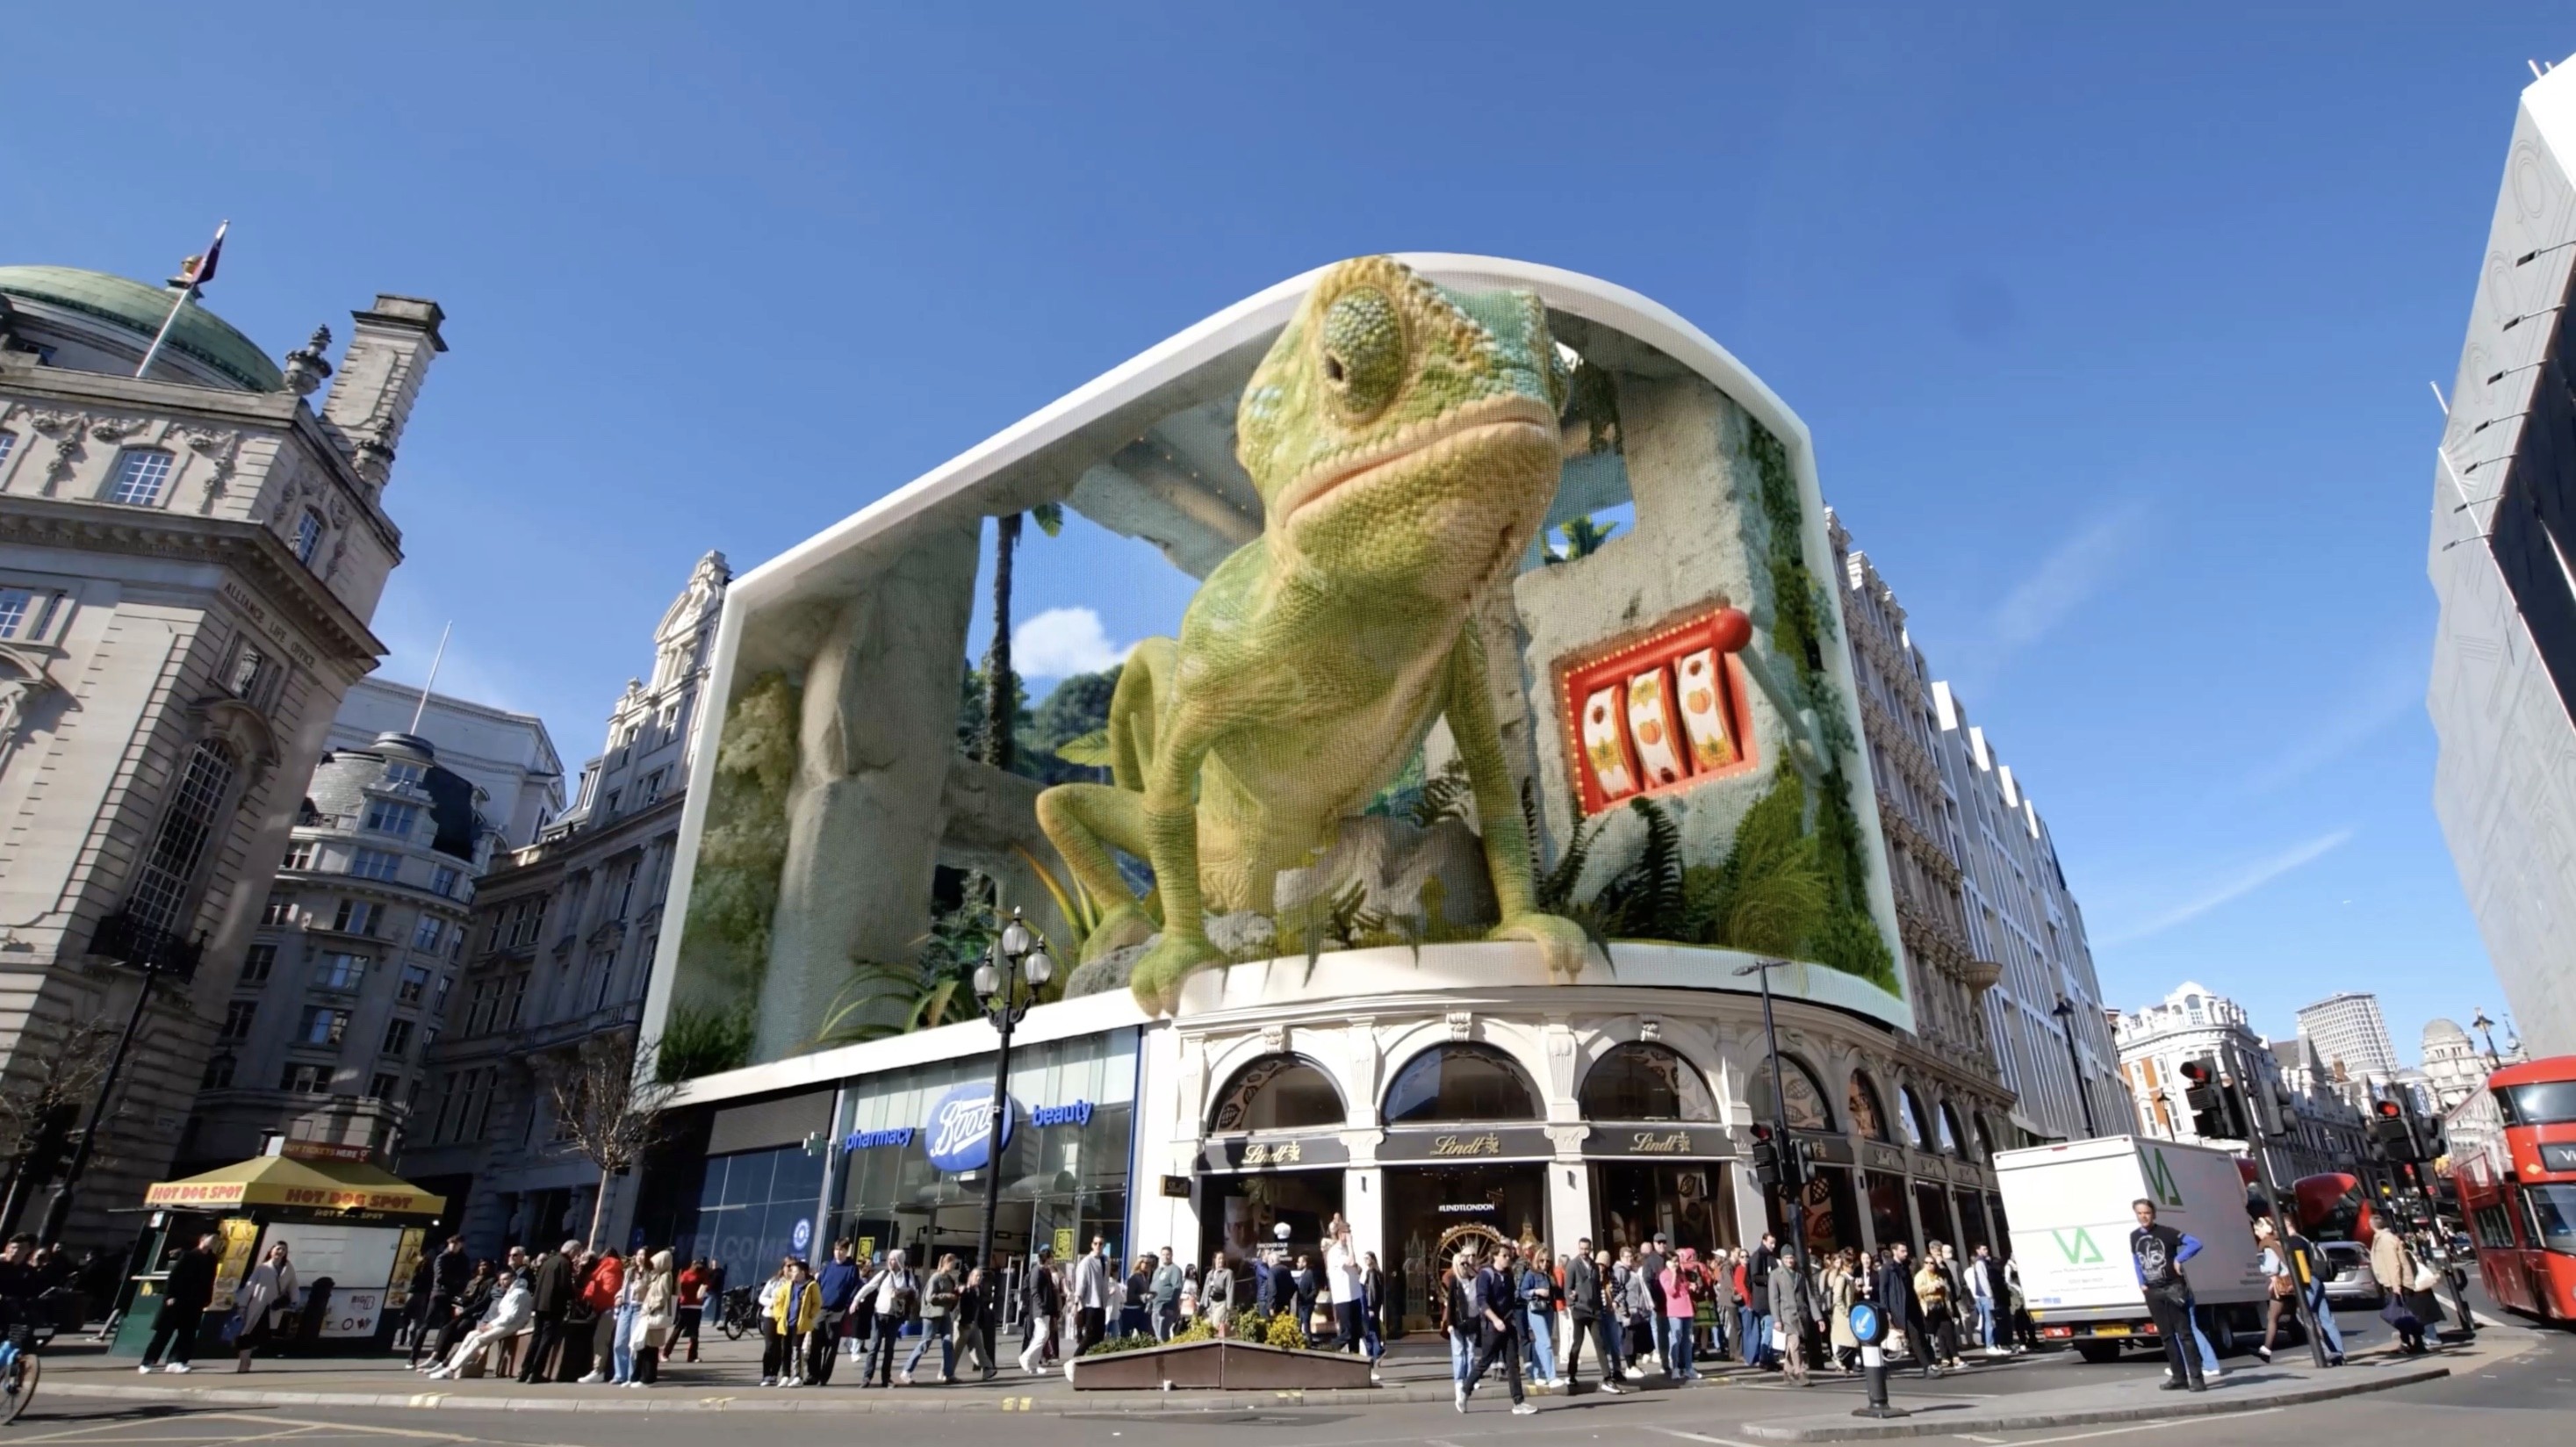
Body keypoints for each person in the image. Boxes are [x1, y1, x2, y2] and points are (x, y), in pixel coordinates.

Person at [2128, 1198, 2205, 1392]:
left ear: (2153, 1213)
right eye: (2139, 1213)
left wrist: (2179, 1259)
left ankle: (2197, 1378)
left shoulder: (2166, 1233)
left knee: (2184, 1334)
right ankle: (2179, 1377)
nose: (2143, 1216)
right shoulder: (2134, 1236)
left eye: (2146, 1212)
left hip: (2172, 1288)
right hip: (2153, 1291)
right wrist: (2142, 1283)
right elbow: (2137, 1261)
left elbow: (2195, 1243)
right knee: (2166, 1336)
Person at [1461, 1243, 1534, 1415]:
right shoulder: (1486, 1275)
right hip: (1492, 1326)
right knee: (1485, 1361)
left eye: (1509, 1256)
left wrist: (1513, 1320)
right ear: (1495, 1256)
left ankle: (1519, 1402)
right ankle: (1465, 1390)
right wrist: (1495, 1320)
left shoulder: (1508, 1276)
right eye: (1504, 1256)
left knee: (1513, 1363)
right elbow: (1482, 1301)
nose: (1508, 1259)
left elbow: (1511, 1300)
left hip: (1508, 1324)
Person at [424, 1269, 531, 1379]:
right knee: (471, 1335)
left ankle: (452, 1370)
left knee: (478, 1340)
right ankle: (448, 1366)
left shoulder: (519, 1293)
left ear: (513, 1278)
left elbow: (510, 1316)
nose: (503, 1282)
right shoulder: (511, 1292)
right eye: (501, 1280)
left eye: (506, 1279)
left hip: (513, 1325)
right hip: (503, 1323)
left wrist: (491, 1325)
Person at [139, 1230, 219, 1373]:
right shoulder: (188, 1256)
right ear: (202, 1239)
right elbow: (174, 1277)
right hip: (178, 1300)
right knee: (164, 1333)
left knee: (187, 1334)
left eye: (216, 1240)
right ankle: (148, 1362)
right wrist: (169, 1296)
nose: (214, 1242)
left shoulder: (212, 1259)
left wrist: (207, 1298)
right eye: (212, 1239)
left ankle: (177, 1361)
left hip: (195, 1301)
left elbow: (210, 1281)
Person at [2280, 1226, 2343, 1364]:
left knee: (2305, 1314)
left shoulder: (2294, 1242)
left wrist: (2298, 1283)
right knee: (2326, 1319)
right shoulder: (2303, 1239)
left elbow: (2301, 1264)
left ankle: (2326, 1352)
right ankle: (2339, 1354)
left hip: (2308, 1280)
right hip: (2316, 1279)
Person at [231, 1242, 297, 1373]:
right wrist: (242, 1305)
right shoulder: (262, 1268)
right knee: (247, 1334)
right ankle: (244, 1363)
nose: (280, 1252)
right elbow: (250, 1285)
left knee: (263, 1335)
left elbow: (293, 1285)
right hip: (258, 1305)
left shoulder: (288, 1269)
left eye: (283, 1250)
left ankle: (247, 1358)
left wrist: (294, 1301)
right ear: (271, 1251)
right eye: (278, 1249)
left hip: (274, 1308)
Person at [1565, 1242, 1621, 1394]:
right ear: (1579, 1249)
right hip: (1579, 1310)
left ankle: (1607, 1377)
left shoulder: (1594, 1266)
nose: (1584, 1251)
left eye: (1587, 1249)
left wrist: (1600, 1308)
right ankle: (1571, 1374)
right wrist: (1571, 1303)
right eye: (1581, 1248)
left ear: (1590, 1249)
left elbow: (1597, 1287)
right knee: (1577, 1343)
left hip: (1594, 1311)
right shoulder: (1573, 1265)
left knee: (1600, 1343)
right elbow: (1567, 1287)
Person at [519, 1241, 578, 1383]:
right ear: (573, 1251)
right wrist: (574, 1294)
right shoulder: (564, 1263)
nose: (577, 1256)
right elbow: (564, 1286)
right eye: (577, 1252)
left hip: (540, 1304)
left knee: (536, 1339)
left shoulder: (549, 1261)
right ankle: (536, 1373)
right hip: (554, 1306)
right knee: (546, 1340)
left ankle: (524, 1372)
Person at [2370, 1223, 2432, 1356]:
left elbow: (2394, 1264)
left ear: (2373, 1225)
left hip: (2397, 1284)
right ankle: (2409, 1342)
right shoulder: (2383, 1238)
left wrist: (2396, 1284)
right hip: (2397, 1282)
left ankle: (2415, 1342)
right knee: (2402, 1314)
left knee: (2401, 1314)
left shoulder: (2386, 1239)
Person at [863, 1249, 919, 1386]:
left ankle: (885, 1378)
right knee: (874, 1346)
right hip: (879, 1313)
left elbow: (915, 1292)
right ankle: (867, 1377)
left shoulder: (907, 1275)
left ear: (900, 1261)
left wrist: (901, 1292)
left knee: (889, 1348)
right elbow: (869, 1287)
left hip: (895, 1316)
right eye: (889, 1258)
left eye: (893, 1259)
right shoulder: (884, 1274)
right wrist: (856, 1300)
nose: (890, 1261)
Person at [1877, 1242, 1933, 1379]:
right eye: (1902, 1251)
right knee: (1909, 1336)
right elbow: (1883, 1291)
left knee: (1919, 1335)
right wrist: (1886, 1310)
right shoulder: (1887, 1268)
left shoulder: (1906, 1266)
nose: (1905, 1253)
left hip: (1912, 1306)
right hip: (1899, 1308)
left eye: (1906, 1250)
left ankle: (1930, 1364)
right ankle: (1928, 1366)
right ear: (1894, 1251)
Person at [768, 1259, 821, 1387]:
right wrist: (779, 1316)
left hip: (800, 1324)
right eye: (791, 1271)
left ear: (803, 1272)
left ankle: (797, 1376)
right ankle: (785, 1375)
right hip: (786, 1323)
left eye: (795, 1271)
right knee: (785, 1350)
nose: (792, 1273)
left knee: (797, 1350)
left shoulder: (811, 1286)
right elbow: (778, 1302)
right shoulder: (787, 1286)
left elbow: (817, 1303)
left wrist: (810, 1316)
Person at [575, 1248, 624, 1383]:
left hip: (608, 1309)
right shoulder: (610, 1269)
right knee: (605, 1340)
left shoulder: (608, 1269)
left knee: (600, 1340)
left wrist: (591, 1297)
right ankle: (604, 1370)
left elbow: (609, 1292)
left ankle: (598, 1370)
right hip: (608, 1309)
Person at [1767, 1244, 1812, 1385]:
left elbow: (1809, 1296)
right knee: (1795, 1343)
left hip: (1799, 1314)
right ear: (1782, 1258)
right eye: (1786, 1257)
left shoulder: (1799, 1274)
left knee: (1791, 1345)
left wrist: (1817, 1317)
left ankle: (1787, 1372)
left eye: (1791, 1257)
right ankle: (1800, 1371)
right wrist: (1776, 1319)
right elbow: (1773, 1298)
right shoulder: (1776, 1275)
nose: (1789, 1260)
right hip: (1785, 1314)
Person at [631, 1250, 675, 1386]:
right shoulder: (659, 1276)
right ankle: (640, 1376)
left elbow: (662, 1297)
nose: (653, 1266)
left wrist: (650, 1308)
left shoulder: (665, 1277)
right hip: (651, 1315)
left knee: (650, 1348)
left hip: (654, 1315)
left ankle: (647, 1378)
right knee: (645, 1346)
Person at [1325, 1220, 1366, 1355]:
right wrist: (1350, 1244)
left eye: (1349, 1232)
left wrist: (1350, 1250)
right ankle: (1329, 1349)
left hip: (1355, 1294)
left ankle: (1357, 1364)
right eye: (1346, 1233)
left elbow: (1357, 1269)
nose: (1349, 1235)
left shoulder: (1347, 1250)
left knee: (1356, 1333)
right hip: (1343, 1297)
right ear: (1340, 1233)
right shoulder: (1335, 1252)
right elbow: (1351, 1262)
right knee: (1347, 1332)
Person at [1018, 1245, 1061, 1375]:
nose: (1053, 1260)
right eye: (1051, 1257)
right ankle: (1026, 1357)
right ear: (1047, 1258)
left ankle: (1033, 1364)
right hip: (1040, 1310)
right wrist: (1042, 1305)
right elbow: (1034, 1291)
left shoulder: (1044, 1271)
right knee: (1042, 1334)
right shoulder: (1037, 1271)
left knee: (1043, 1335)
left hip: (1045, 1309)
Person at [1518, 1247, 1557, 1389]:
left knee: (1540, 1343)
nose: (1544, 1263)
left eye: (1547, 1261)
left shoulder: (1549, 1275)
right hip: (1536, 1309)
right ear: (1536, 1260)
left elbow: (1555, 1291)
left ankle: (1537, 1373)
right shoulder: (1531, 1274)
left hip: (1548, 1309)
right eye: (1542, 1260)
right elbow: (1522, 1292)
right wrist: (1536, 1291)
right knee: (1545, 1342)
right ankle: (1551, 1376)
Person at [1659, 1248, 1698, 1381]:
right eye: (1672, 1261)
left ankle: (1688, 1367)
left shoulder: (1682, 1274)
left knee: (1687, 1339)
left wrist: (1690, 1286)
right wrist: (1674, 1274)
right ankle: (1675, 1367)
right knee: (1676, 1338)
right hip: (1675, 1310)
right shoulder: (1664, 1275)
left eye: (1676, 1261)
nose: (1675, 1264)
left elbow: (1684, 1287)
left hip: (1687, 1309)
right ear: (1667, 1262)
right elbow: (1670, 1291)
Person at [1744, 1232, 1777, 1368]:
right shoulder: (1758, 1256)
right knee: (1769, 1325)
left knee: (1769, 1327)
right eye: (1771, 1243)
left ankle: (1769, 1357)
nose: (1773, 1246)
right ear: (1764, 1241)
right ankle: (1765, 1357)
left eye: (1774, 1243)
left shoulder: (1769, 1256)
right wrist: (1771, 1279)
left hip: (1768, 1297)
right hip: (1763, 1298)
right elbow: (1754, 1277)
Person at [1638, 1235, 1670, 1370]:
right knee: (1661, 1331)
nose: (1662, 1245)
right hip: (1659, 1303)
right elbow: (1647, 1281)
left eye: (1664, 1242)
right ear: (1654, 1244)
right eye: (1659, 1242)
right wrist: (1653, 1300)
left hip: (1672, 1301)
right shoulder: (1650, 1260)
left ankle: (1675, 1360)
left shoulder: (1669, 1257)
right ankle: (1664, 1361)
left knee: (1673, 1331)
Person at [1074, 1236, 1110, 1355]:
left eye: (1101, 1244)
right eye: (1096, 1243)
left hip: (1102, 1303)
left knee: (1100, 1334)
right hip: (1090, 1302)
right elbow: (1081, 1281)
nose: (1098, 1246)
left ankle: (1092, 1360)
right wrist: (1077, 1299)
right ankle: (1076, 1358)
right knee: (1090, 1334)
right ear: (1092, 1245)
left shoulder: (1106, 1261)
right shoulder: (1087, 1261)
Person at [1827, 1249, 1861, 1373]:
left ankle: (1848, 1364)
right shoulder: (1841, 1278)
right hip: (1843, 1315)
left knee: (1852, 1339)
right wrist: (1846, 1311)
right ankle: (1839, 1358)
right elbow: (1837, 1298)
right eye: (1849, 1265)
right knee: (1848, 1339)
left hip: (1849, 1312)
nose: (1852, 1267)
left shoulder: (1849, 1278)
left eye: (1852, 1264)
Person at [675, 1257, 709, 1363]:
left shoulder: (685, 1274)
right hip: (694, 1305)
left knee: (679, 1330)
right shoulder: (702, 1275)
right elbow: (705, 1287)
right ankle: (692, 1356)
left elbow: (680, 1288)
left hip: (686, 1304)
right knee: (693, 1332)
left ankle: (666, 1353)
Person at [1360, 1251, 1388, 1369]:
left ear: (1372, 1259)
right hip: (1376, 1306)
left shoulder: (1371, 1273)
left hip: (1372, 1307)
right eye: (1364, 1258)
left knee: (1371, 1330)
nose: (1365, 1260)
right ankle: (1375, 1355)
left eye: (1367, 1258)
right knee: (1375, 1329)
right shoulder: (1378, 1273)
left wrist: (1370, 1307)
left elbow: (1371, 1291)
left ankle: (1377, 1352)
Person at [1149, 1247, 1184, 1340]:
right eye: (1163, 1254)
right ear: (1160, 1256)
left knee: (1163, 1334)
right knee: (1158, 1335)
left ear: (1172, 1255)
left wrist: (1171, 1306)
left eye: (1168, 1254)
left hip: (1167, 1308)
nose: (1166, 1257)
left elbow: (1177, 1288)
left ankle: (1165, 1354)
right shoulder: (1157, 1271)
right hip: (1156, 1308)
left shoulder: (1174, 1269)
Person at [1201, 1250, 1234, 1332]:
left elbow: (1230, 1290)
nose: (1221, 1261)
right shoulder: (1210, 1274)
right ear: (1214, 1260)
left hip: (1221, 1303)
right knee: (1206, 1324)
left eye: (1223, 1258)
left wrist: (1229, 1308)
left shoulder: (1228, 1273)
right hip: (1211, 1304)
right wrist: (1202, 1305)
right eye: (1219, 1258)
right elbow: (1205, 1290)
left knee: (1216, 1324)